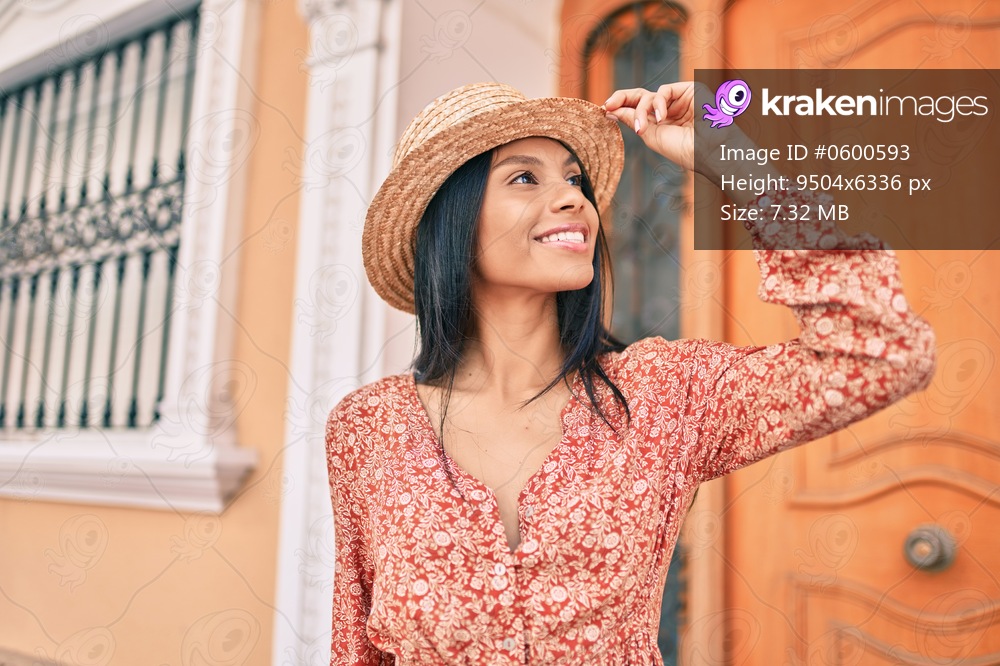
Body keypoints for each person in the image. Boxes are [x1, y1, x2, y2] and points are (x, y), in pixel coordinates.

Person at [326, 81, 936, 665]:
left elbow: (880, 352)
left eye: (574, 179)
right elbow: (356, 648)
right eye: (523, 177)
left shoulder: (663, 394)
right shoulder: (368, 430)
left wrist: (734, 161)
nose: (573, 198)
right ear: (450, 224)